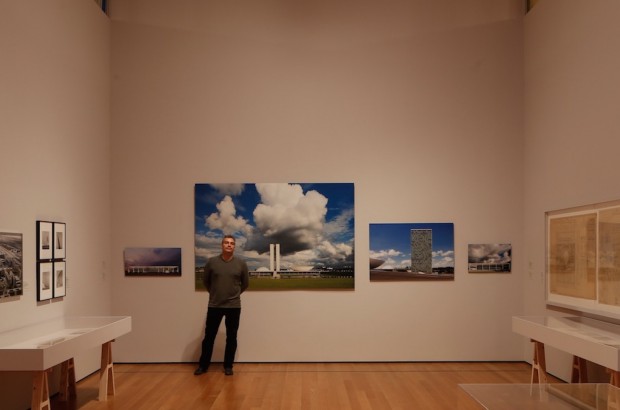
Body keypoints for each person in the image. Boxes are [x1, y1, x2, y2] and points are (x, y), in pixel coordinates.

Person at [195, 234, 249, 376]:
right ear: (222, 245)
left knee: (231, 337)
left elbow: (245, 284)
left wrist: (234, 295)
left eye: (232, 243)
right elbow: (206, 282)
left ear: (234, 246)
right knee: (209, 337)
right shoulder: (212, 262)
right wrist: (215, 294)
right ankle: (203, 366)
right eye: (226, 242)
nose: (229, 245)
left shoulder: (241, 263)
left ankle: (228, 366)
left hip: (234, 306)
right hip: (215, 305)